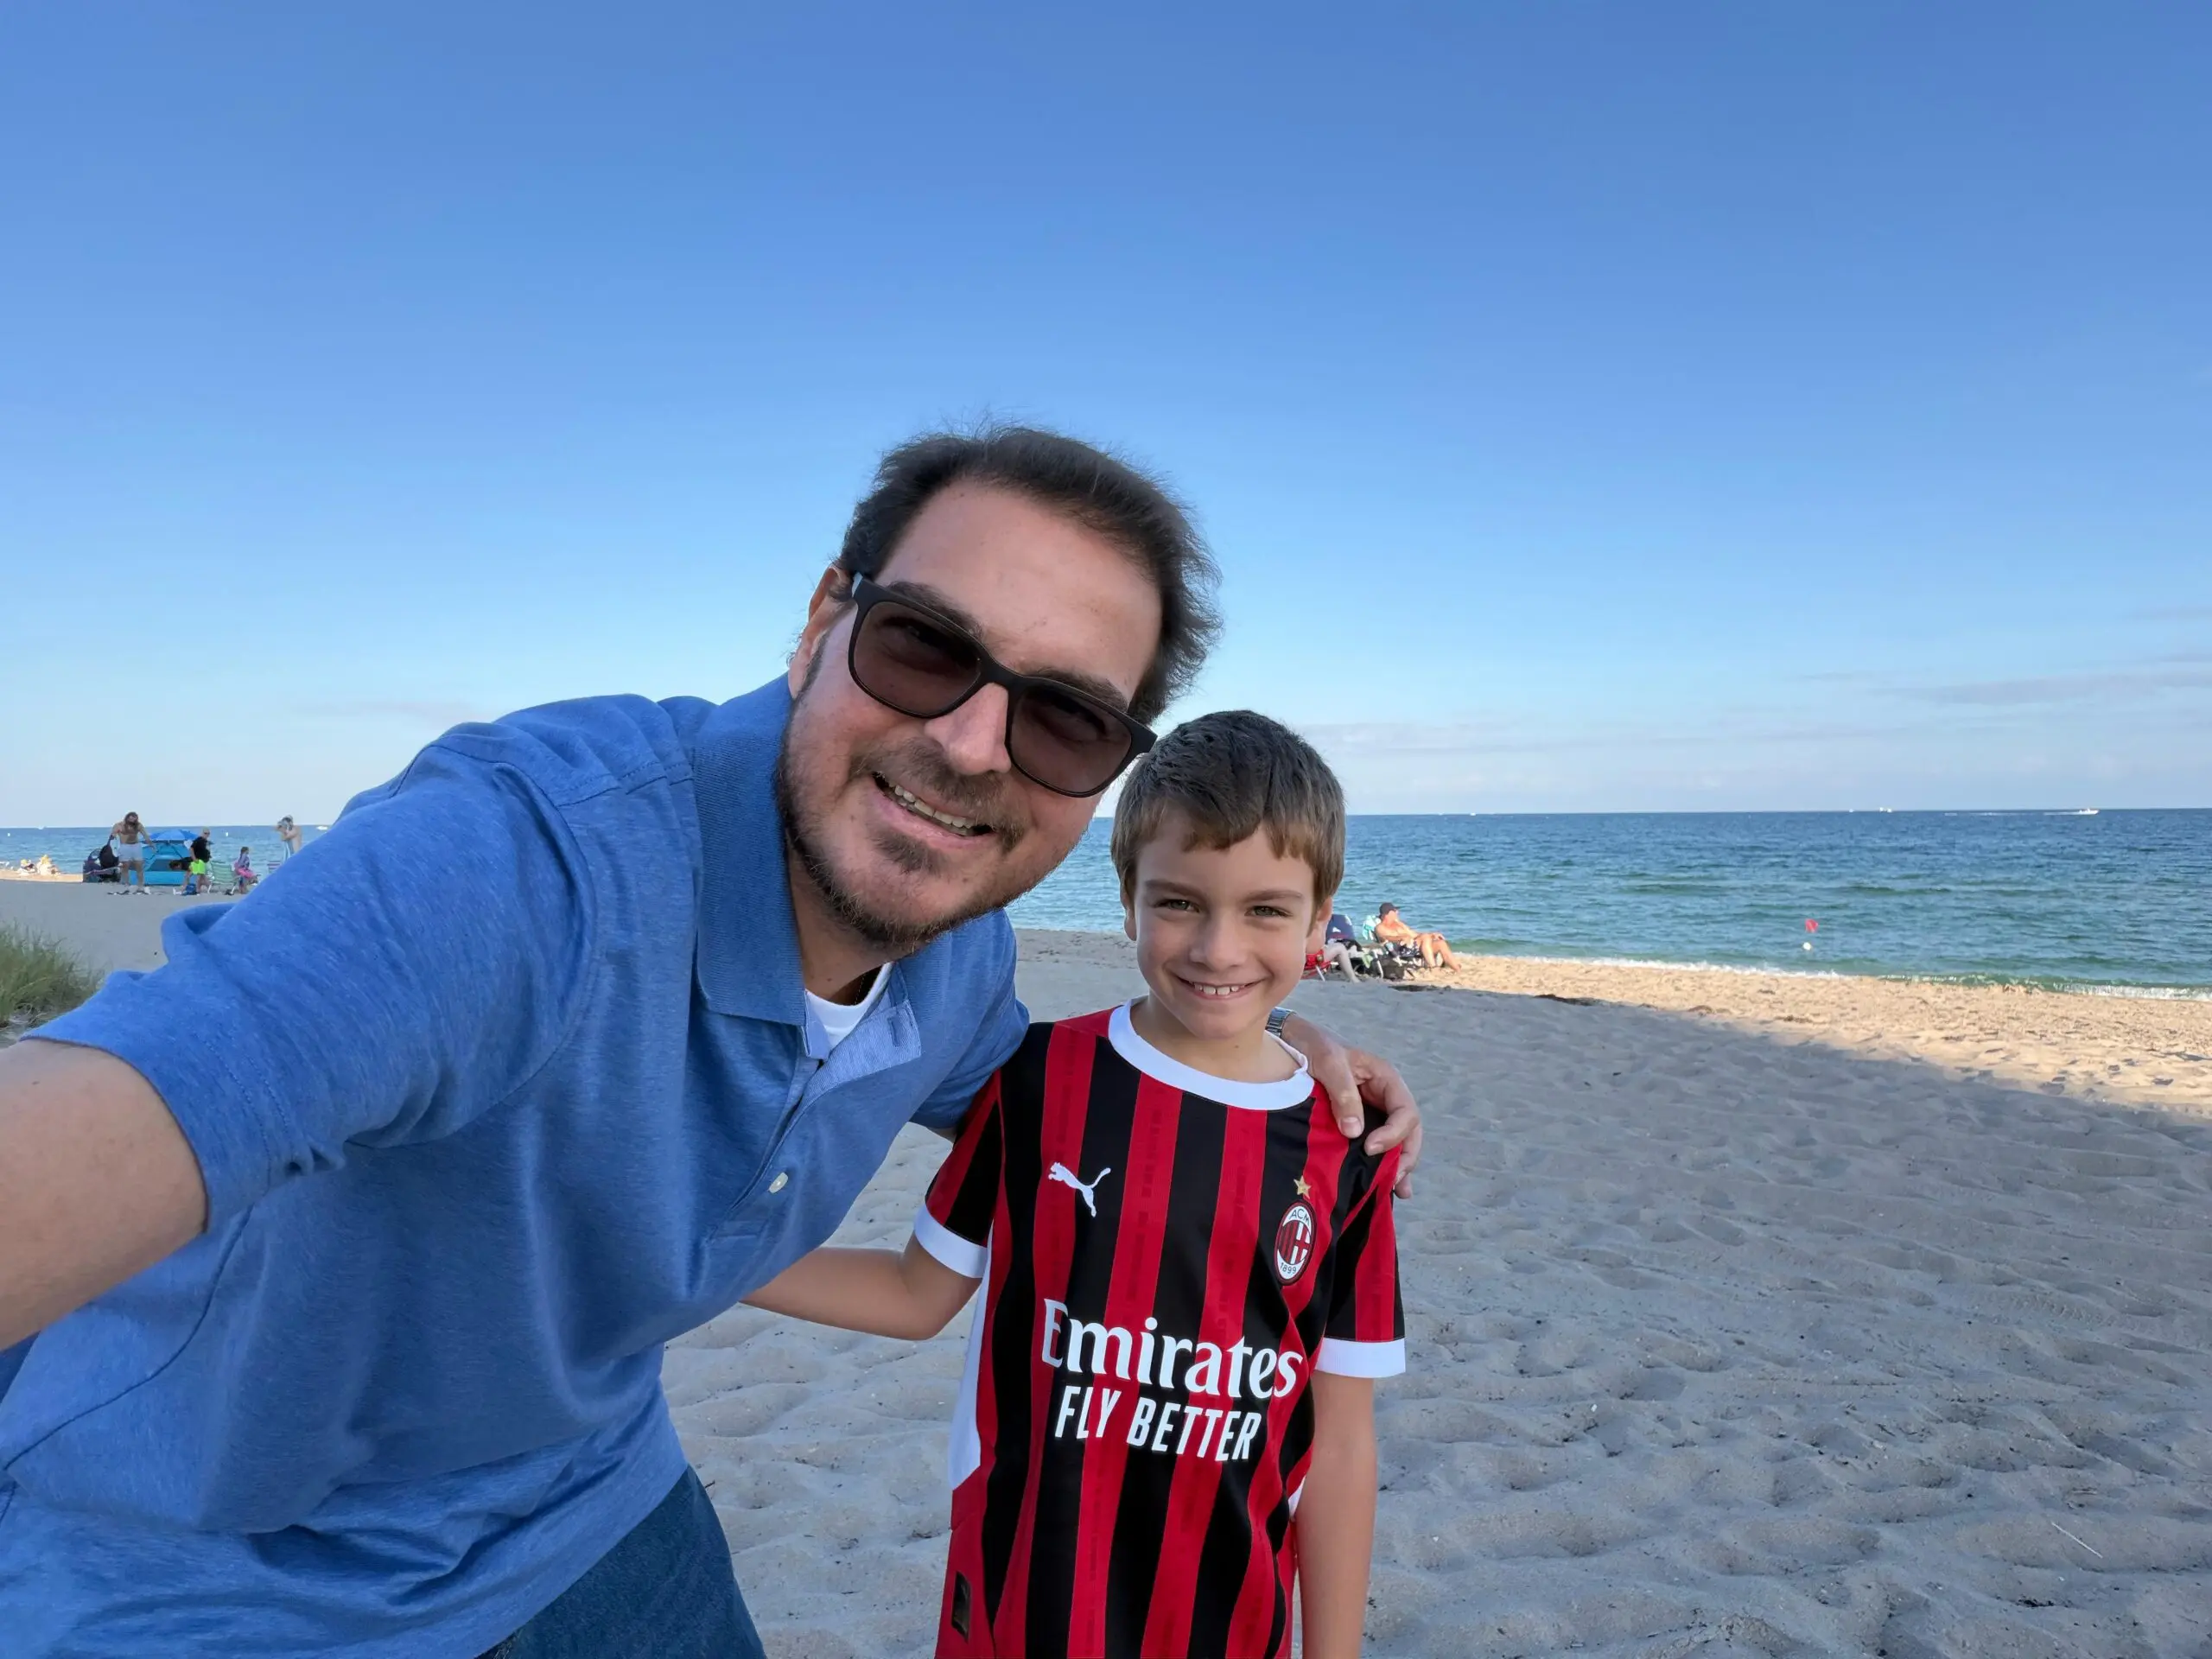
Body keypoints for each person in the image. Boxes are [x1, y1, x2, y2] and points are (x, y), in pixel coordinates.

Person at [0, 426, 1422, 1657]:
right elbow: (164, 1081)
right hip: (191, 1554)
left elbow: (1097, 1099)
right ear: (820, 622)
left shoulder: (957, 961)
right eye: (926, 647)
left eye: (1064, 718)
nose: (975, 745)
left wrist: (1282, 1043)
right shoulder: (521, 867)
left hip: (579, 1493)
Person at [747, 712, 1399, 1657]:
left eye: (1265, 910)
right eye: (1179, 902)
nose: (1218, 949)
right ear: (1128, 898)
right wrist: (707, 1268)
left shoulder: (1351, 1144)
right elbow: (916, 1293)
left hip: (1227, 1621)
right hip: (1021, 1609)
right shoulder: (1037, 1077)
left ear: (1316, 918)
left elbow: (1338, 1444)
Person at [1371, 900, 1459, 971]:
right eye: (1395, 911)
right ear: (1389, 913)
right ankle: (1433, 967)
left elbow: (1414, 935)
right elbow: (1384, 938)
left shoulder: (1399, 924)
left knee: (1441, 943)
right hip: (1401, 949)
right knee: (1425, 937)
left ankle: (1457, 969)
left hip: (1414, 947)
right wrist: (1400, 938)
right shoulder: (1380, 927)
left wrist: (1432, 935)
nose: (1397, 913)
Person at [110, 811, 149, 893]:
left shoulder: (138, 825)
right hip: (124, 846)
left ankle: (141, 886)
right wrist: (114, 834)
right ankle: (127, 885)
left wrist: (150, 843)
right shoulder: (119, 825)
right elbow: (113, 834)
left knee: (139, 866)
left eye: (134, 818)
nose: (132, 820)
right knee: (125, 867)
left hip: (136, 846)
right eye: (130, 818)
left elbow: (145, 835)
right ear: (127, 818)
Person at [184, 830, 213, 896]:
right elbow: (191, 849)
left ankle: (207, 888)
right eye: (205, 833)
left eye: (208, 833)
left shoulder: (205, 841)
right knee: (199, 875)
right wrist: (194, 859)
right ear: (202, 833)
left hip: (201, 861)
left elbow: (203, 850)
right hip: (198, 861)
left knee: (201, 875)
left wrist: (208, 855)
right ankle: (197, 890)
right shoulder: (199, 840)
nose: (206, 835)